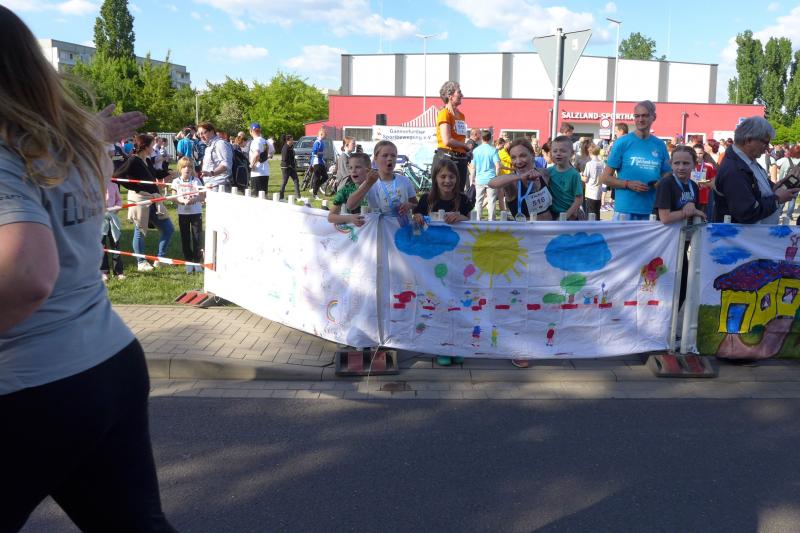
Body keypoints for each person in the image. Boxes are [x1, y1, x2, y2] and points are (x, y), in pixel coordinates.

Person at [0, 7, 175, 532]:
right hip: (111, 360)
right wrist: (92, 131)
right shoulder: (66, 145)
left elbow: (28, 276)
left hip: (33, 384)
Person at [412, 158, 475, 367]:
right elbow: (417, 221)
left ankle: (457, 346)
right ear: (435, 178)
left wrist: (461, 217)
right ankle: (440, 347)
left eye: (451, 176)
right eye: (443, 176)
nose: (447, 180)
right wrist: (417, 217)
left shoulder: (463, 200)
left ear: (458, 178)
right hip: (434, 262)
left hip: (457, 261)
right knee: (437, 304)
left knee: (458, 305)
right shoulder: (426, 199)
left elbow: (473, 222)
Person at [712, 116, 799, 224]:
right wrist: (777, 199)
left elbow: (759, 191)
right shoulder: (734, 169)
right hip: (743, 234)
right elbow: (746, 212)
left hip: (755, 233)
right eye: (765, 142)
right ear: (748, 140)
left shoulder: (748, 161)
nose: (767, 147)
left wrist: (776, 186)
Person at [600, 100, 671, 221]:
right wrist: (628, 184)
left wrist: (660, 183)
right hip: (625, 211)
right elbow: (604, 178)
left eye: (645, 115)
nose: (640, 119)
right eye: (637, 116)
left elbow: (667, 175)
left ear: (654, 117)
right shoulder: (622, 143)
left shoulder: (660, 145)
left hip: (652, 210)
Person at [115, 133, 175, 271]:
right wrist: (136, 187)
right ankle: (141, 262)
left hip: (153, 199)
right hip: (140, 200)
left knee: (168, 229)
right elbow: (118, 176)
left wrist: (169, 173)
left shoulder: (146, 160)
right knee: (140, 231)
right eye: (152, 145)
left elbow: (154, 174)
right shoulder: (133, 160)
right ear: (145, 146)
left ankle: (160, 259)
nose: (153, 148)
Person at [489, 138, 556, 224]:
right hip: (525, 232)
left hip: (550, 230)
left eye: (522, 156)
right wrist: (520, 177)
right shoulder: (512, 181)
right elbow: (491, 183)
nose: (518, 161)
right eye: (513, 157)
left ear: (532, 155)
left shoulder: (543, 173)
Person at [345, 140, 418, 217]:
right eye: (385, 155)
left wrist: (410, 206)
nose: (389, 159)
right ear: (375, 158)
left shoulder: (404, 180)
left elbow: (416, 206)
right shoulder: (371, 181)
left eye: (393, 155)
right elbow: (350, 205)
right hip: (379, 224)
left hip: (403, 224)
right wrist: (368, 184)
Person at [433, 81, 471, 191]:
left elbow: (460, 137)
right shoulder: (444, 113)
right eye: (459, 92)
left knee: (459, 193)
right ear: (450, 96)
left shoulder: (461, 115)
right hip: (447, 158)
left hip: (460, 159)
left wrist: (465, 148)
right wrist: (465, 146)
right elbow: (447, 140)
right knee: (444, 193)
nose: (462, 95)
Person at [654, 146, 706, 224]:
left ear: (694, 165)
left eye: (686, 163)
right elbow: (665, 218)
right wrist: (692, 211)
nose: (681, 167)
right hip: (667, 231)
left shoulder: (694, 186)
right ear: (671, 164)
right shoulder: (666, 183)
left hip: (685, 229)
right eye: (677, 163)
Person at [171, 157, 205, 273]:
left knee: (197, 238)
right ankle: (188, 262)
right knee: (185, 238)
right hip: (183, 213)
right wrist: (182, 201)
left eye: (190, 167)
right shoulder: (176, 181)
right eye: (184, 167)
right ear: (180, 168)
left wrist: (194, 199)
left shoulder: (196, 181)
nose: (187, 169)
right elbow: (174, 197)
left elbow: (202, 196)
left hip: (196, 213)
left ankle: (197, 262)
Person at [545, 136, 584, 220]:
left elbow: (579, 199)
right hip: (552, 214)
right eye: (555, 151)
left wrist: (567, 215)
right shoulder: (548, 171)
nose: (558, 153)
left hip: (569, 215)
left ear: (572, 154)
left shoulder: (574, 174)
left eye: (563, 151)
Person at [328, 152, 371, 226]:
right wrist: (350, 218)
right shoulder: (346, 190)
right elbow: (331, 217)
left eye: (358, 167)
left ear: (368, 169)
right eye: (350, 168)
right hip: (354, 231)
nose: (353, 171)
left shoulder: (376, 187)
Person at [470, 129, 500, 220]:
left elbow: (473, 167)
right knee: (491, 201)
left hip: (479, 179)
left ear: (481, 138)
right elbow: (498, 166)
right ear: (490, 138)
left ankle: (477, 220)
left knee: (478, 201)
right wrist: (496, 177)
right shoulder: (493, 150)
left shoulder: (476, 151)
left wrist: (472, 179)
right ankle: (491, 221)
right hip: (491, 179)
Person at [100, 173, 124, 281]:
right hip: (100, 221)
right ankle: (103, 271)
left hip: (113, 219)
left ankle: (118, 271)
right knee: (101, 246)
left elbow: (119, 200)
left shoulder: (114, 186)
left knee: (116, 244)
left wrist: (116, 207)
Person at [197, 121, 232, 190]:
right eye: (199, 134)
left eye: (203, 133)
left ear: (212, 131)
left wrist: (211, 173)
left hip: (219, 185)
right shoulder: (209, 147)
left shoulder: (220, 144)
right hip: (210, 184)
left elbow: (226, 165)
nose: (201, 136)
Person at [775, 144, 800, 221]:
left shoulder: (786, 160)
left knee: (782, 199)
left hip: (785, 184)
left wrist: (779, 183)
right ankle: (789, 216)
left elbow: (782, 173)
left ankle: (779, 214)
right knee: (792, 200)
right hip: (796, 185)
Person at [692, 143, 717, 216]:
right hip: (691, 199)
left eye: (700, 153)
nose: (698, 155)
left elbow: (713, 183)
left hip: (704, 198)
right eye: (695, 153)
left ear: (703, 153)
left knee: (704, 219)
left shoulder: (709, 166)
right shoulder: (689, 165)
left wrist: (704, 183)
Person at [582, 144, 604, 219]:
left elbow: (585, 179)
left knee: (590, 215)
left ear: (590, 152)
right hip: (599, 192)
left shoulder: (589, 164)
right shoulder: (602, 163)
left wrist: (579, 175)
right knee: (597, 214)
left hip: (590, 193)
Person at [248, 122, 269, 195]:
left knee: (256, 197)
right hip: (265, 172)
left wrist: (251, 165)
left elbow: (257, 154)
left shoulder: (255, 141)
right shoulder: (265, 141)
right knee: (263, 196)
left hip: (257, 172)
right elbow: (270, 152)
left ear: (251, 131)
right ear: (260, 130)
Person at [310, 127, 328, 200]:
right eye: (325, 134)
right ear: (321, 134)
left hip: (320, 161)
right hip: (316, 161)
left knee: (325, 177)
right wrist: (321, 153)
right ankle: (315, 194)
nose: (326, 136)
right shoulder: (317, 142)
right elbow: (314, 152)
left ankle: (314, 188)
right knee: (317, 178)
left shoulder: (321, 142)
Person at [280, 134, 300, 200]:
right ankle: (281, 197)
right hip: (286, 167)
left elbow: (292, 157)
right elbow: (284, 159)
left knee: (296, 180)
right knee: (284, 181)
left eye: (292, 140)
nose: (292, 141)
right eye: (291, 140)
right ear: (287, 141)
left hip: (291, 167)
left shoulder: (291, 147)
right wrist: (289, 165)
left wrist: (293, 164)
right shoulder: (285, 148)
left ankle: (298, 196)